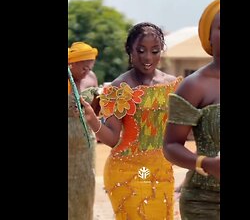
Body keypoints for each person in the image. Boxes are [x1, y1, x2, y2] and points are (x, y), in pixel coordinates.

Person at [78, 22, 182, 219]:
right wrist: (92, 119)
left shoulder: (172, 85)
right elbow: (112, 139)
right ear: (130, 51)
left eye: (155, 50)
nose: (148, 57)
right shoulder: (119, 87)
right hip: (128, 170)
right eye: (141, 50)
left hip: (161, 171)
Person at [163, 0, 221, 219]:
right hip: (205, 203)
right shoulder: (195, 85)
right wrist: (205, 164)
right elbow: (170, 146)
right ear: (209, 36)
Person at [67, 41, 99, 220]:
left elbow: (96, 109)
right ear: (72, 63)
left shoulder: (92, 78)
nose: (87, 67)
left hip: (85, 143)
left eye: (91, 63)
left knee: (85, 185)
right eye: (83, 63)